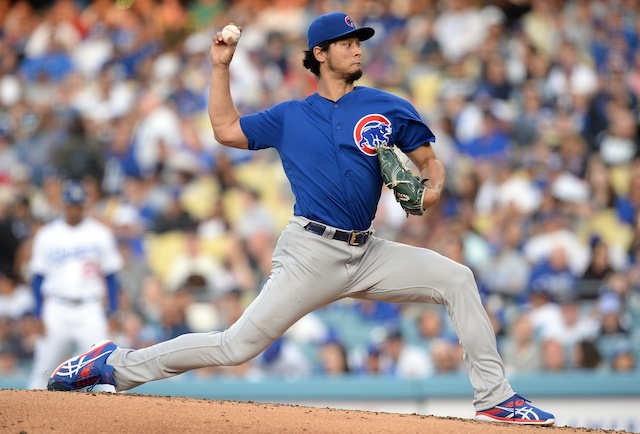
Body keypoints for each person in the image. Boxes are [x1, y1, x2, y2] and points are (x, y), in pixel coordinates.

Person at [47, 12, 555, 426]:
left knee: (457, 278)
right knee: (235, 346)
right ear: (320, 53)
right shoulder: (290, 115)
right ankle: (110, 363)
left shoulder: (385, 106)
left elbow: (428, 161)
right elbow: (224, 128)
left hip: (369, 250)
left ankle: (495, 396)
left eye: (359, 41)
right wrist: (220, 67)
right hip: (311, 252)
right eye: (346, 42)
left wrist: (435, 183)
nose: (358, 48)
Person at [27, 180, 123, 389]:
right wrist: (37, 313)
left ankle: (116, 420)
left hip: (90, 309)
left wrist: (114, 311)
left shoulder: (100, 233)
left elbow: (112, 276)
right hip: (56, 309)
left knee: (106, 369)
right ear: (63, 204)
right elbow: (37, 278)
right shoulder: (47, 234)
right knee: (42, 371)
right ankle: (28, 420)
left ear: (84, 205)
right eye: (71, 205)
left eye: (78, 205)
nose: (74, 209)